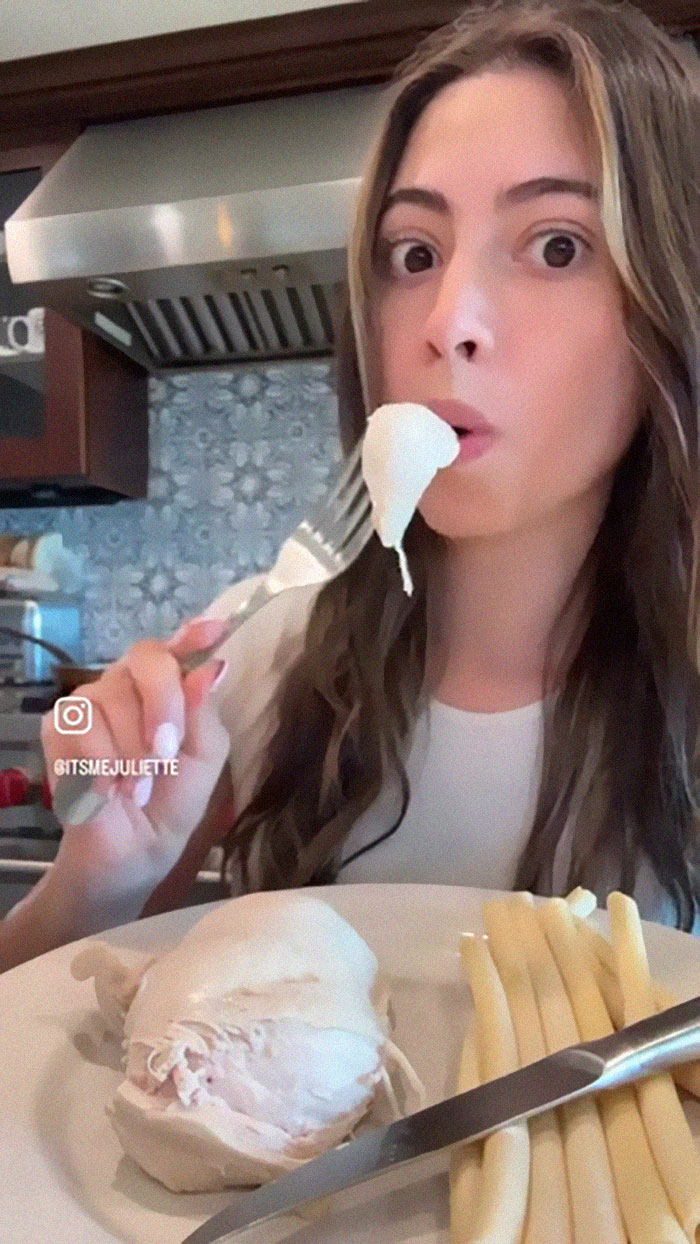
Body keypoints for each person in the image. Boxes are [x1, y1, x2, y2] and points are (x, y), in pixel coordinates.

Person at [3, 0, 700, 973]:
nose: (447, 320)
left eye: (556, 244)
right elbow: (45, 1023)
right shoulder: (270, 651)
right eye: (412, 254)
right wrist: (99, 874)